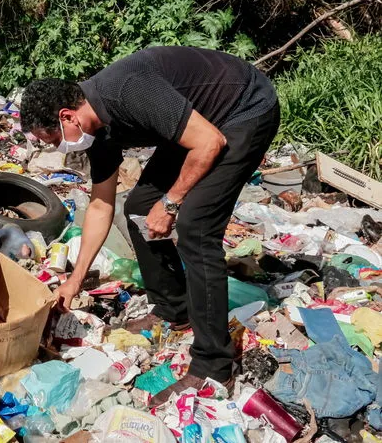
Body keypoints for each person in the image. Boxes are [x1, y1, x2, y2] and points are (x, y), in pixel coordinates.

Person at [20, 46, 279, 404]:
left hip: (243, 110)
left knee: (196, 227)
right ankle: (173, 309)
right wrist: (75, 280)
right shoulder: (100, 132)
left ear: (68, 117)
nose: (59, 148)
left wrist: (171, 204)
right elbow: (100, 205)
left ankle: (213, 366)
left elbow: (208, 142)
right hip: (198, 121)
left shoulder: (126, 91)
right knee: (140, 207)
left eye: (53, 139)